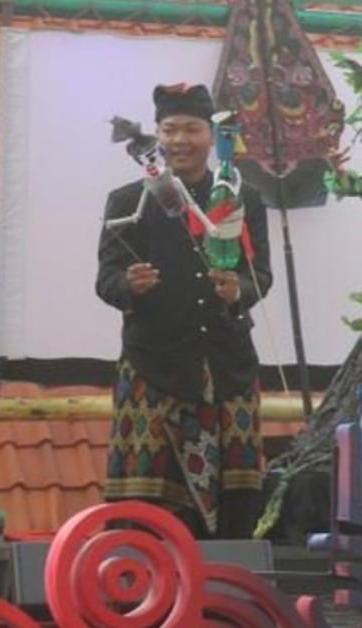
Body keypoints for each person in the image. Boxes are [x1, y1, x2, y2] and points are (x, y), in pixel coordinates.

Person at [96, 83, 272, 539]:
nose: (180, 141)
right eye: (170, 130)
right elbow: (106, 280)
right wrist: (128, 286)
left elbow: (261, 275)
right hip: (153, 365)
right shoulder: (126, 201)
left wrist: (240, 290)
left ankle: (226, 594)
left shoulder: (241, 197)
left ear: (210, 136)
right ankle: (141, 595)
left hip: (226, 361)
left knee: (236, 496)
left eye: (192, 129)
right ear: (156, 134)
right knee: (147, 503)